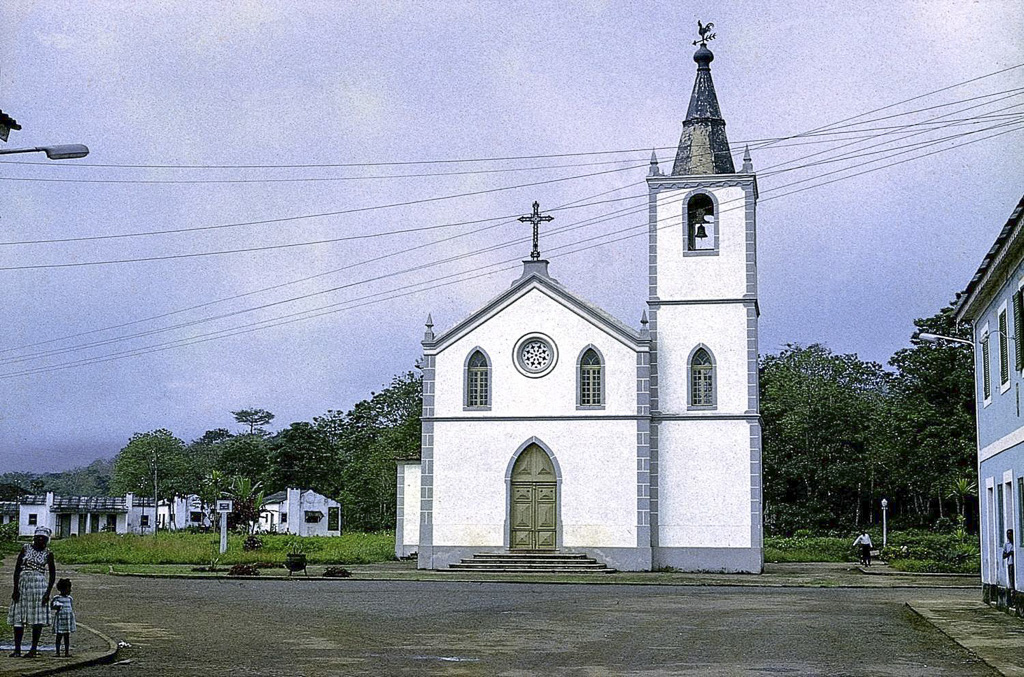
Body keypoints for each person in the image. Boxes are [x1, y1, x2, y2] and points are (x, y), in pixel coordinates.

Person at [7, 526, 56, 658]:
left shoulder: (48, 553)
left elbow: (52, 574)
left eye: (43, 538)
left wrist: (47, 593)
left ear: (47, 540)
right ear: (34, 538)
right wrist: (15, 588)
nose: (40, 539)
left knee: (37, 619)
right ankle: (17, 649)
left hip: (39, 586)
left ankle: (33, 649)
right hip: (23, 584)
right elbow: (17, 569)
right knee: (19, 617)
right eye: (38, 537)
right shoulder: (25, 548)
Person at [50, 578, 76, 657]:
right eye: (68, 588)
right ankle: (57, 652)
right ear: (62, 589)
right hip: (60, 620)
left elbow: (71, 609)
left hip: (67, 620)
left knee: (66, 637)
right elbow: (52, 606)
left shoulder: (70, 599)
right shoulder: (57, 598)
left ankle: (66, 652)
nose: (70, 590)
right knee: (59, 637)